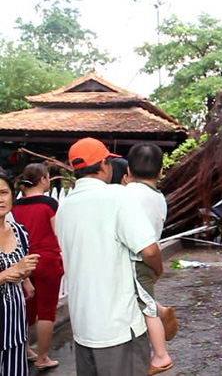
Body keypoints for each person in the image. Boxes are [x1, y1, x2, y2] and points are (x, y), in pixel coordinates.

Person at [56, 137, 163, 376]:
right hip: (118, 326)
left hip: (83, 326)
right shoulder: (117, 197)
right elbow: (150, 249)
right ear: (104, 165)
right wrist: (158, 269)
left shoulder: (65, 208)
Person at [126, 143, 176, 375]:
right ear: (160, 172)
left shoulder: (127, 193)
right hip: (146, 258)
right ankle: (161, 309)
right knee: (144, 297)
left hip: (136, 259)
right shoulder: (158, 197)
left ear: (128, 170)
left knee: (146, 307)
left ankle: (161, 355)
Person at [12, 164, 63, 370]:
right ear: (43, 179)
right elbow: (57, 231)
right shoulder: (49, 204)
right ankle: (42, 356)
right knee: (46, 310)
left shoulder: (15, 206)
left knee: (27, 308)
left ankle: (24, 349)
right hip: (47, 259)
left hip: (24, 261)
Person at [0, 171, 39, 376]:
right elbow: (11, 271)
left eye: (4, 192)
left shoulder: (19, 232)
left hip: (15, 328)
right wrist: (9, 272)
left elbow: (21, 272)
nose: (0, 199)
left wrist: (24, 275)